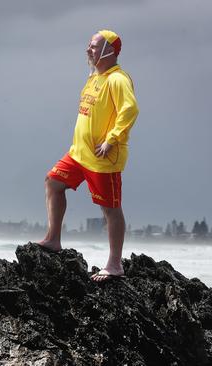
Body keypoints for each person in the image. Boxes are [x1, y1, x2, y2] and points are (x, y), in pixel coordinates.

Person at [37, 30, 139, 282]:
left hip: (103, 158)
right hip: (79, 154)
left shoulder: (118, 79)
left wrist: (111, 139)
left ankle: (115, 264)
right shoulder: (94, 78)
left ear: (109, 51)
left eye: (93, 46)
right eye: (89, 46)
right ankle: (53, 239)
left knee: (110, 209)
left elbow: (130, 109)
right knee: (53, 182)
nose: (88, 50)